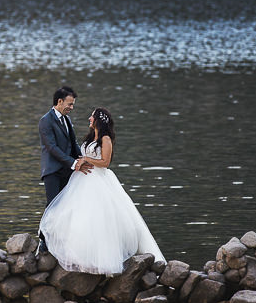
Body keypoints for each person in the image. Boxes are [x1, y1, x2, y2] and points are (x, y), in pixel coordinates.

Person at [38, 106, 165, 275]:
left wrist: (86, 159)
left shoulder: (106, 139)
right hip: (81, 180)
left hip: (98, 180)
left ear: (98, 120)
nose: (89, 119)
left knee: (97, 217)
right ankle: (74, 252)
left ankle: (100, 258)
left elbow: (105, 162)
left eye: (92, 117)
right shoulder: (91, 137)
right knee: (78, 215)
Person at [38, 86, 88, 206]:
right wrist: (74, 163)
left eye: (72, 105)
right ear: (60, 101)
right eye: (70, 104)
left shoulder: (67, 119)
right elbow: (52, 147)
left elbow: (73, 143)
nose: (71, 108)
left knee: (66, 206)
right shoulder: (46, 120)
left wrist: (84, 159)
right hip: (53, 172)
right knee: (53, 207)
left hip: (68, 171)